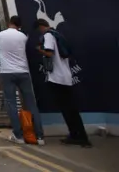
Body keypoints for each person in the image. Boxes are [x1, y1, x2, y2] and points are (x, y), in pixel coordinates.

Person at [36, 19, 91, 147]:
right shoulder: (58, 35)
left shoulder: (48, 35)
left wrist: (39, 49)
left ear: (41, 27)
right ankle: (77, 135)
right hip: (65, 76)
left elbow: (49, 52)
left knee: (68, 109)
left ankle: (80, 136)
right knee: (70, 109)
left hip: (57, 78)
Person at [0, 16, 44, 145]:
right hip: (23, 71)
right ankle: (39, 136)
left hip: (7, 72)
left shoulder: (0, 35)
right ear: (19, 25)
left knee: (11, 104)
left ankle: (19, 136)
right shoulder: (23, 36)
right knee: (31, 104)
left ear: (9, 23)